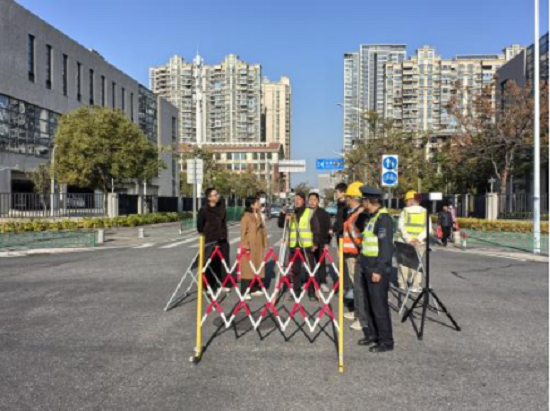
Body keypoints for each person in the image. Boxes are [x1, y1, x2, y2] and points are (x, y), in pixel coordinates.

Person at [356, 186, 394, 353]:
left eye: (363, 200)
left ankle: (386, 341)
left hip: (376, 268)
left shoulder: (383, 219)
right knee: (368, 304)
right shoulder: (372, 217)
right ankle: (373, 335)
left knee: (379, 307)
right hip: (367, 265)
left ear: (369, 201)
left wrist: (379, 270)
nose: (361, 203)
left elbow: (386, 248)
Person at [340, 182, 369, 331]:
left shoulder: (361, 215)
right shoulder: (354, 213)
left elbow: (363, 237)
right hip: (350, 254)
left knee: (359, 288)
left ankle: (362, 318)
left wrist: (359, 252)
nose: (346, 200)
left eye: (348, 197)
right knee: (355, 285)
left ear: (353, 198)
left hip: (356, 255)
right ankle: (357, 312)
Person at [278, 192, 316, 300]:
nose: (297, 201)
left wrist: (316, 243)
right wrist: (283, 215)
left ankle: (312, 293)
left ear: (303, 200)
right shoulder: (291, 211)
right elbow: (281, 224)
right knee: (296, 271)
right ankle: (296, 292)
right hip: (294, 246)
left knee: (310, 270)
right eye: (295, 199)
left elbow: (316, 228)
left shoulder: (309, 212)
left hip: (307, 246)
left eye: (299, 199)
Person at [197, 188, 230, 293]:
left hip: (222, 239)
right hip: (210, 240)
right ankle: (209, 286)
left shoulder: (222, 207)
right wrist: (208, 233)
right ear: (209, 198)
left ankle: (223, 283)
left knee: (223, 263)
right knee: (210, 263)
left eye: (217, 194)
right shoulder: (204, 210)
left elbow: (224, 222)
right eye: (215, 195)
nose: (217, 196)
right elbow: (200, 226)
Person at [397, 190, 431, 293]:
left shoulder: (405, 211)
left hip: (405, 242)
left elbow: (401, 227)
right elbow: (428, 229)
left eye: (406, 201)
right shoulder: (425, 211)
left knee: (404, 263)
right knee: (417, 264)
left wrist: (408, 239)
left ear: (409, 200)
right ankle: (415, 285)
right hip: (419, 243)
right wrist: (418, 239)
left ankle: (402, 284)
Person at [240, 196, 268, 300]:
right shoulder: (246, 216)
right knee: (247, 269)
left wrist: (264, 242)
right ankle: (244, 291)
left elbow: (263, 229)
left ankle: (254, 288)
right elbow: (243, 233)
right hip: (250, 245)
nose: (259, 204)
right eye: (257, 202)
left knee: (257, 267)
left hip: (258, 245)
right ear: (252, 205)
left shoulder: (259, 215)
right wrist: (245, 245)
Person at [308, 192, 332, 296]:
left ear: (318, 201)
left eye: (314, 199)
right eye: (310, 200)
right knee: (309, 264)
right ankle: (310, 283)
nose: (312, 202)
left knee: (321, 263)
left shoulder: (324, 213)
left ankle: (323, 282)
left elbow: (329, 229)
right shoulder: (306, 212)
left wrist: (327, 242)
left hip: (321, 243)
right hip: (308, 243)